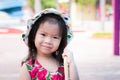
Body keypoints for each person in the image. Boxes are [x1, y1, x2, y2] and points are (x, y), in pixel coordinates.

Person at [19, 8, 79, 80]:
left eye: (55, 37)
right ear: (33, 36)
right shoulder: (28, 67)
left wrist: (71, 63)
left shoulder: (64, 63)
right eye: (43, 35)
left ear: (61, 41)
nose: (48, 41)